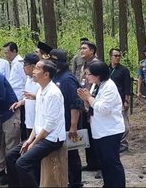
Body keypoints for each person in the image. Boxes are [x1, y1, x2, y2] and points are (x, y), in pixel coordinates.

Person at [6, 60, 66, 187]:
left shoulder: (53, 93)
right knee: (11, 157)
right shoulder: (40, 90)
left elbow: (49, 126)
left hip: (51, 138)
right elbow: (38, 121)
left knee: (22, 163)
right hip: (40, 135)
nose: (33, 71)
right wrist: (29, 140)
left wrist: (33, 143)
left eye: (37, 68)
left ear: (46, 75)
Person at [77, 61, 126, 187]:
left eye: (89, 74)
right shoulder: (96, 85)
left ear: (98, 75)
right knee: (104, 162)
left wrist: (88, 98)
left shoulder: (109, 86)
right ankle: (108, 184)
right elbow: (93, 104)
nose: (86, 77)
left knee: (112, 162)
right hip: (99, 130)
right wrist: (86, 101)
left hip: (110, 130)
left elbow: (104, 109)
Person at [49, 49, 84, 187]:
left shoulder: (67, 79)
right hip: (60, 122)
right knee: (64, 154)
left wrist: (73, 126)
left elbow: (75, 104)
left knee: (72, 154)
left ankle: (76, 183)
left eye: (53, 61)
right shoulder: (56, 77)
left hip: (69, 122)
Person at [75, 40, 101, 172]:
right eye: (81, 48)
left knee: (94, 135)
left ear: (92, 51)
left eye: (84, 48)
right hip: (84, 105)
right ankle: (91, 163)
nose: (82, 50)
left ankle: (98, 163)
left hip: (93, 105)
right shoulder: (83, 64)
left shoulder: (97, 65)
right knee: (87, 135)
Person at [10, 54, 41, 137]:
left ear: (33, 66)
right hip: (29, 119)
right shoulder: (28, 79)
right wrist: (21, 102)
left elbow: (45, 99)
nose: (23, 67)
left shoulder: (40, 81)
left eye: (25, 65)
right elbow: (27, 97)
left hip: (38, 121)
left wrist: (35, 96)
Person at [108, 48, 132, 152]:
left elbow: (127, 86)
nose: (117, 58)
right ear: (110, 57)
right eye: (115, 56)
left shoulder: (124, 70)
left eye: (119, 56)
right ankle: (114, 142)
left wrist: (127, 100)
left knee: (123, 122)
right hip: (109, 101)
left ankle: (123, 143)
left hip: (121, 99)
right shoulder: (106, 69)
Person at [4, 42, 28, 140]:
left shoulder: (19, 63)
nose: (6, 55)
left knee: (20, 122)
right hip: (14, 96)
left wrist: (23, 98)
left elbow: (26, 79)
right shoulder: (13, 63)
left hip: (19, 97)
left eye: (7, 52)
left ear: (14, 51)